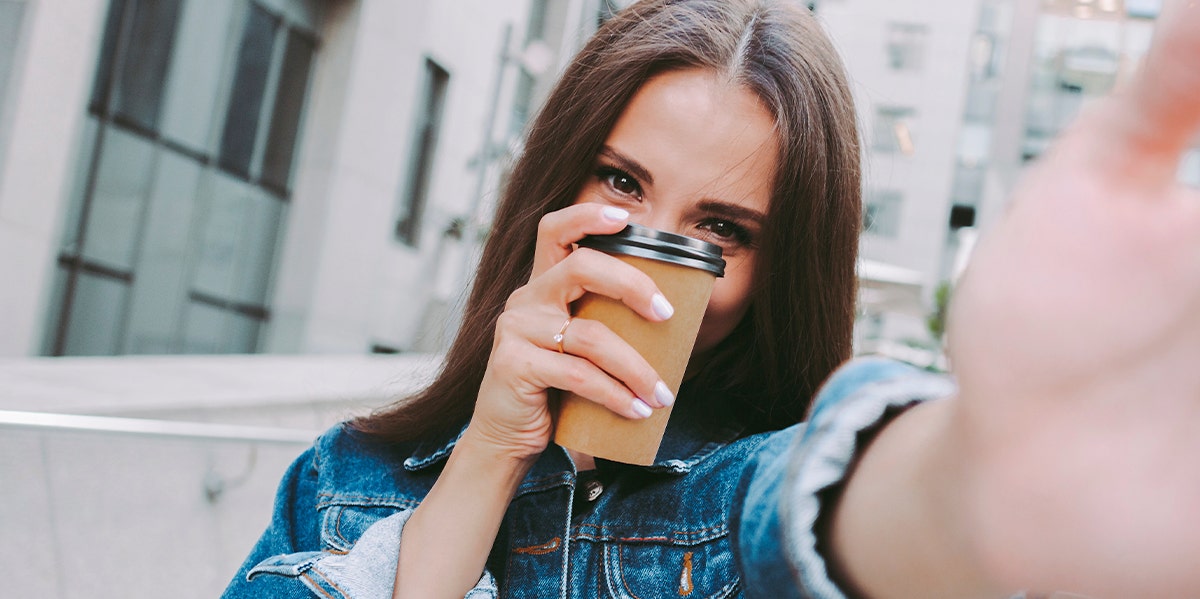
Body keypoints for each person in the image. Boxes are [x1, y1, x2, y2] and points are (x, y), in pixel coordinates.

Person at [221, 0, 1200, 597]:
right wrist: (486, 455)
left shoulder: (737, 499)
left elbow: (832, 503)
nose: (648, 255)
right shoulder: (340, 483)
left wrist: (981, 470)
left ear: (779, 270)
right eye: (619, 182)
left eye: (723, 230)